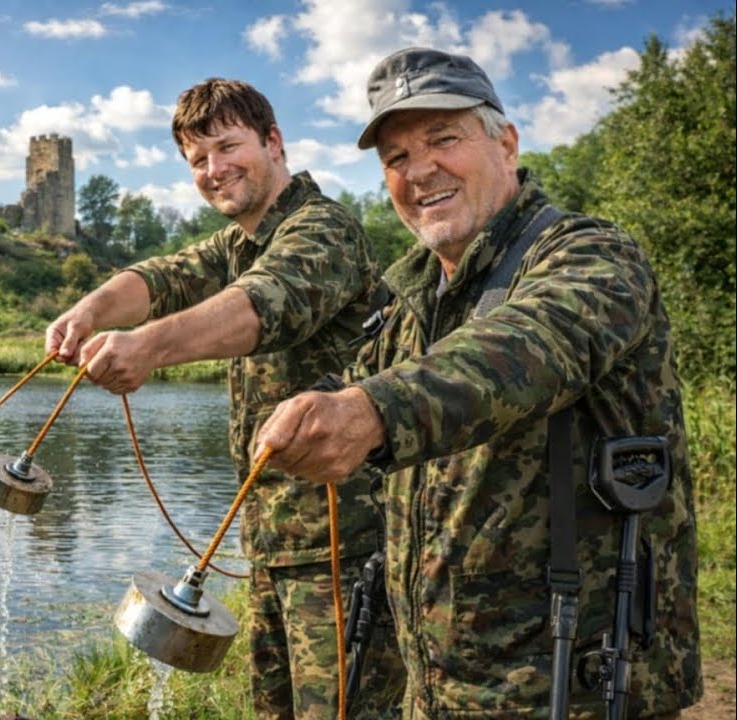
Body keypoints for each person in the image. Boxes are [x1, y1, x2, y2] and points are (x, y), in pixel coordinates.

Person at [255, 47, 701, 718]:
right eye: (397, 158)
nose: (420, 170)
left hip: (572, 692)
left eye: (443, 139)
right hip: (440, 691)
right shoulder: (407, 302)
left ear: (507, 144)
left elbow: (527, 346)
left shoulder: (592, 255)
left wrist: (370, 411)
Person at [46, 78, 403, 719]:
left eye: (227, 147)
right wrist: (90, 309)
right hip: (270, 547)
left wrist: (148, 348)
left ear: (273, 142)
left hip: (343, 552)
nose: (214, 170)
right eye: (197, 160)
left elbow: (267, 303)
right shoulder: (237, 243)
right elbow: (164, 276)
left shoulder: (322, 231)